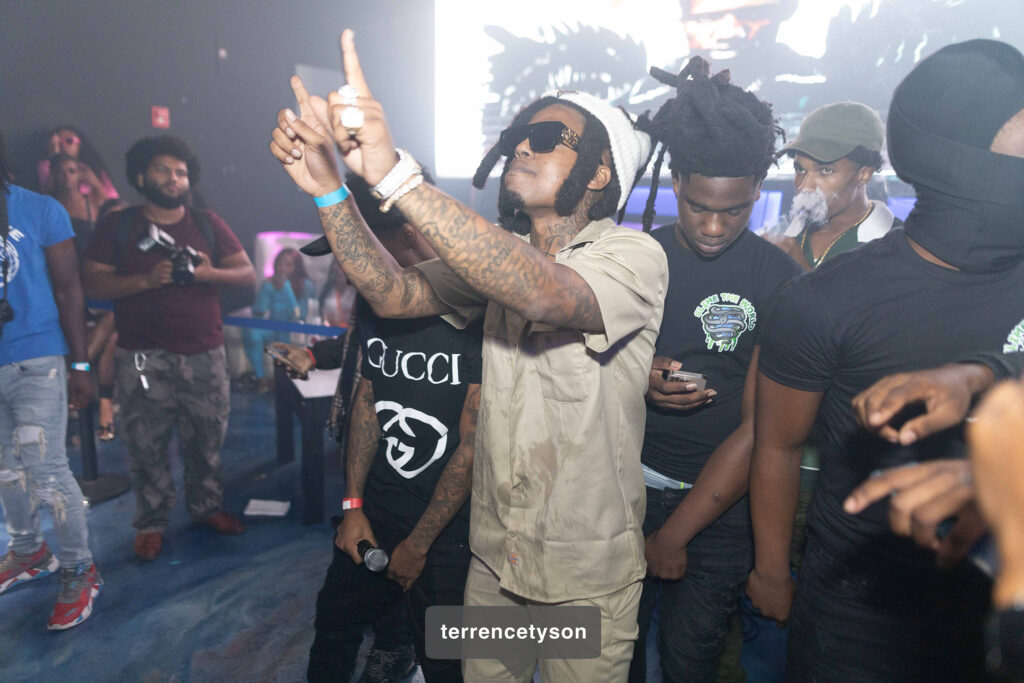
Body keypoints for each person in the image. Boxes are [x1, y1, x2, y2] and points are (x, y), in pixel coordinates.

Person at [270, 30, 667, 681]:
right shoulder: (499, 252)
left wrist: (395, 176)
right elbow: (393, 293)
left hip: (583, 578)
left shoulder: (633, 255)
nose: (522, 146)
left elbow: (546, 292)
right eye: (519, 135)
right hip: (493, 566)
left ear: (600, 172)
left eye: (548, 137)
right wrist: (330, 192)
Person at [746, 39, 1024, 680]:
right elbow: (777, 444)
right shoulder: (823, 301)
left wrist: (982, 375)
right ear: (958, 159)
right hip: (862, 624)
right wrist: (771, 571)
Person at [626, 58, 799, 683]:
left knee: (690, 662)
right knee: (608, 657)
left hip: (721, 510)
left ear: (757, 188)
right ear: (675, 180)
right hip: (620, 492)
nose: (715, 226)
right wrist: (636, 375)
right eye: (699, 206)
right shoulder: (633, 259)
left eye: (735, 209)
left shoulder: (779, 280)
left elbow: (763, 430)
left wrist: (675, 535)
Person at [82, 135, 256, 561]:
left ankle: (206, 506)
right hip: (142, 356)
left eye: (180, 172)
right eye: (162, 169)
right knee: (145, 443)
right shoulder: (119, 225)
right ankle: (151, 522)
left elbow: (246, 274)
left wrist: (207, 273)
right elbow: (92, 282)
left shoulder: (208, 223)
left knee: (207, 438)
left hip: (204, 352)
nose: (173, 178)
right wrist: (145, 280)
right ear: (141, 176)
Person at [0, 131, 102, 630]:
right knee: (5, 469)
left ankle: (81, 569)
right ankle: (28, 551)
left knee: (46, 469)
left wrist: (80, 366)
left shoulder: (40, 210)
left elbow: (69, 289)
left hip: (36, 359)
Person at [768, 101, 898, 271]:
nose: (805, 187)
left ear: (863, 174)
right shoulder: (784, 234)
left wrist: (799, 271)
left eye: (826, 170)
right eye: (800, 169)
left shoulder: (898, 249)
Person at [48, 152, 120, 438]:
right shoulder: (48, 205)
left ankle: (73, 377)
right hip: (64, 284)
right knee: (104, 339)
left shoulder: (92, 203)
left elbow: (116, 211)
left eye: (73, 170)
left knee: (111, 324)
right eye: (63, 171)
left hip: (91, 283)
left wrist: (96, 182)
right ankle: (98, 401)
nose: (68, 176)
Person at [243, 247, 301, 392]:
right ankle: (261, 379)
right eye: (279, 264)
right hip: (273, 327)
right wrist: (266, 289)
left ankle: (282, 381)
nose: (282, 269)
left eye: (288, 265)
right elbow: (258, 313)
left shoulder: (304, 285)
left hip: (292, 330)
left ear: (296, 267)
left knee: (283, 339)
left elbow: (298, 315)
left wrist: (287, 288)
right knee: (252, 333)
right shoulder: (268, 284)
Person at [37, 125, 118, 202]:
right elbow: (49, 194)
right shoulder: (46, 165)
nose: (63, 145)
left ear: (79, 145)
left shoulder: (92, 166)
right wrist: (55, 157)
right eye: (59, 142)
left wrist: (95, 183)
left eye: (69, 141)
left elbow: (114, 200)